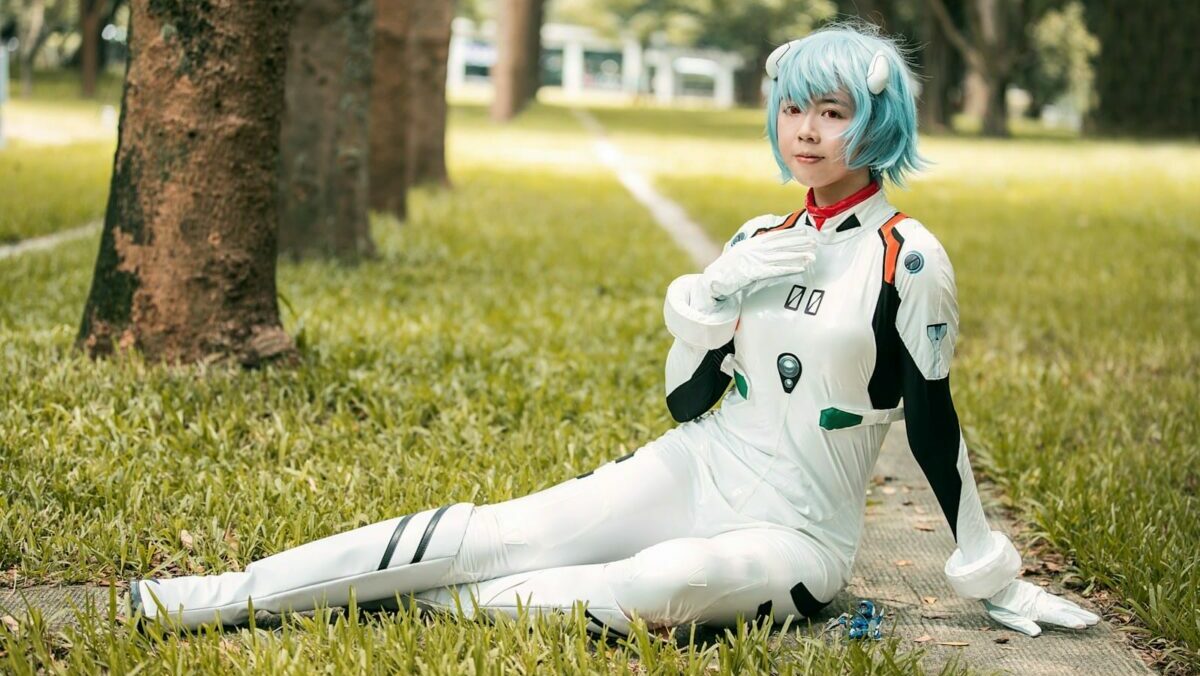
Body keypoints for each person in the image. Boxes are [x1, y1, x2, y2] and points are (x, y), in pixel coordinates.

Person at [130, 21, 1099, 639]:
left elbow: (936, 420)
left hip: (800, 533)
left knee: (655, 586)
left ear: (875, 123)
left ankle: (380, 603)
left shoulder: (908, 257)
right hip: (703, 464)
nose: (805, 130)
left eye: (832, 111)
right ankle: (224, 593)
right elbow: (688, 399)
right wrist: (711, 295)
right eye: (793, 107)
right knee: (498, 531)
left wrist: (991, 572)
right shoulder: (758, 236)